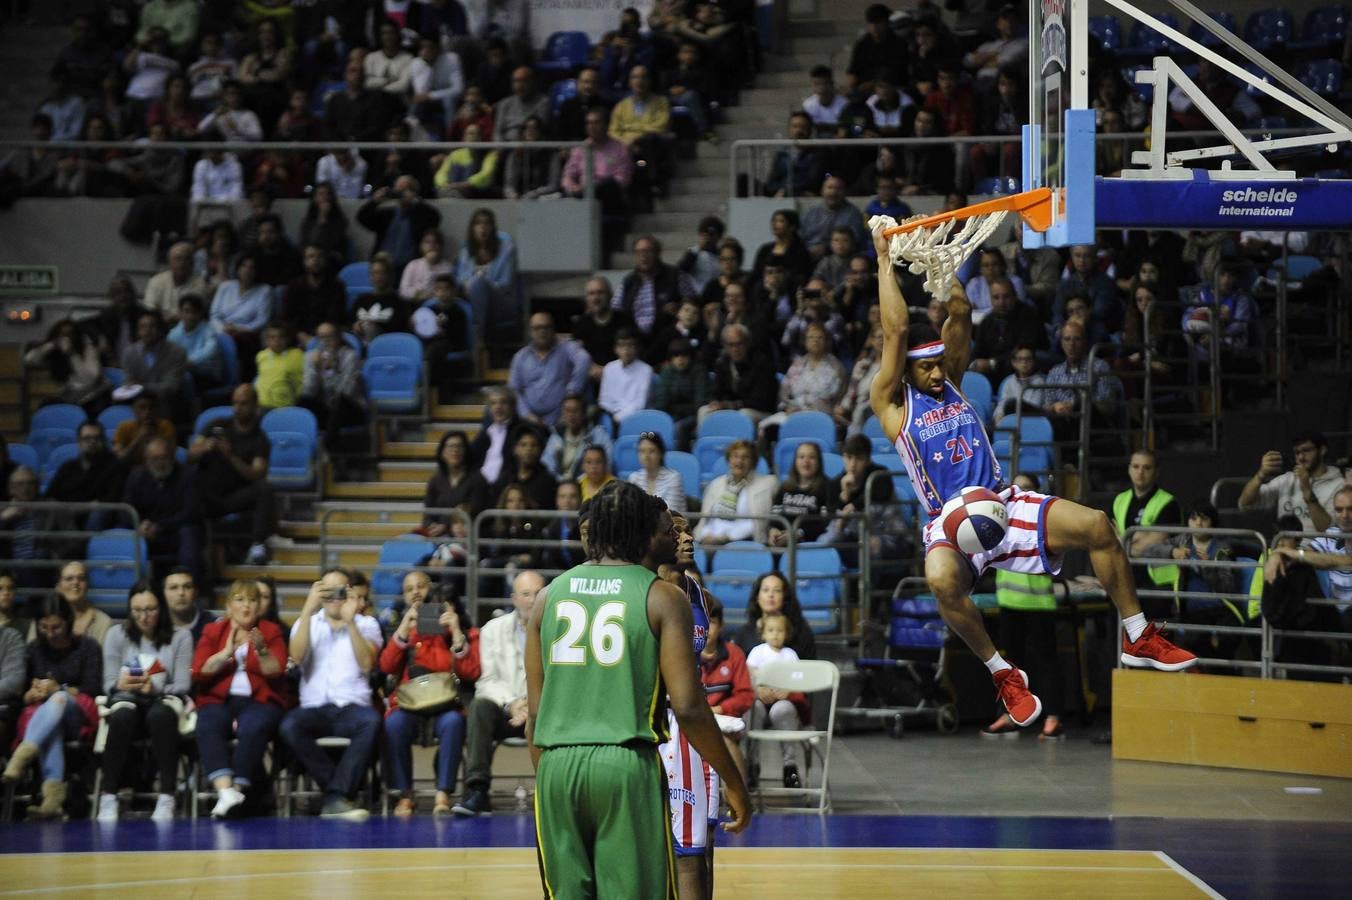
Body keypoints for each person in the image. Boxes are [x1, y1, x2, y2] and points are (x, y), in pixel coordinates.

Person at [867, 221, 1196, 732]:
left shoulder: (952, 381)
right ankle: (1003, 674)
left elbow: (958, 313)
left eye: (938, 364)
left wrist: (941, 268)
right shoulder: (891, 405)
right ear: (906, 374)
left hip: (1002, 500)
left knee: (1098, 527)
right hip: (949, 520)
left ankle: (1137, 633)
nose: (936, 372)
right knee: (940, 581)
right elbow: (895, 332)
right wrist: (885, 259)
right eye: (925, 367)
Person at [525, 483, 750, 897]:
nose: (676, 536)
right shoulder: (663, 597)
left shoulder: (546, 596)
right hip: (624, 764)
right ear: (642, 534)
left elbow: (535, 716)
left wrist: (552, 787)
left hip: (555, 766)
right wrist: (733, 780)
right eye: (666, 529)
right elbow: (688, 707)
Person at [281, 569, 383, 821]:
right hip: (314, 707)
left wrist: (350, 621)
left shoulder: (366, 624)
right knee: (289, 726)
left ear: (349, 592)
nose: (334, 597)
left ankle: (335, 795)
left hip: (352, 706)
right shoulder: (307, 623)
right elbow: (297, 656)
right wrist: (307, 609)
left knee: (371, 722)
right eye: (327, 591)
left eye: (340, 590)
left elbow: (367, 664)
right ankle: (337, 795)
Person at [381, 572, 480, 817]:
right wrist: (405, 628)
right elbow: (385, 666)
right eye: (408, 589)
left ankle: (443, 794)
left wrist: (455, 631)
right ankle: (405, 795)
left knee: (454, 723)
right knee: (394, 724)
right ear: (403, 597)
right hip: (409, 704)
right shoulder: (402, 629)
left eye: (420, 587)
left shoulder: (462, 630)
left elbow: (471, 672)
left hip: (446, 704)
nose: (415, 592)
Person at [192, 579, 291, 818]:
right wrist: (224, 654)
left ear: (259, 607)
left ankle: (234, 792)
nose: (246, 606)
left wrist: (262, 651)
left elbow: (275, 671)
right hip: (219, 700)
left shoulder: (270, 631)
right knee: (207, 724)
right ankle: (227, 793)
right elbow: (198, 672)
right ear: (228, 606)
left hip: (260, 700)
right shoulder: (213, 631)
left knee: (254, 725)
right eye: (240, 599)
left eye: (252, 600)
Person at [96, 581, 192, 821]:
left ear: (161, 609)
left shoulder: (181, 636)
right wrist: (121, 684)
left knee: (160, 715)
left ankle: (167, 796)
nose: (144, 616)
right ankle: (109, 796)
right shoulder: (116, 635)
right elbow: (108, 682)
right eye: (137, 610)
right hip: (127, 699)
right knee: (121, 716)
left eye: (150, 609)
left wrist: (155, 687)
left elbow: (183, 684)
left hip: (163, 700)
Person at [983, 473, 1068, 740]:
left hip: (1039, 605)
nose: (1021, 492)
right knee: (1009, 666)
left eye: (1028, 488)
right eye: (1017, 487)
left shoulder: (1046, 522)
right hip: (1009, 603)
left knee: (1046, 662)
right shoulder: (999, 520)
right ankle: (1009, 716)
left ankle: (1053, 718)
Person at [3, 594, 101, 819]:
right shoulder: (33, 649)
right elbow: (23, 693)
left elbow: (93, 689)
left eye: (56, 627)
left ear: (68, 621)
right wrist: (30, 694)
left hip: (79, 714)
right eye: (44, 627)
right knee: (52, 726)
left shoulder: (88, 647)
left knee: (59, 699)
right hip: (43, 718)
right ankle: (52, 802)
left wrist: (59, 688)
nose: (50, 633)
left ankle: (22, 756)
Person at [453, 569, 540, 817]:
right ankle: (477, 791)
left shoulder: (557, 629)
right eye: (526, 594)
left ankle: (553, 794)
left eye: (537, 593)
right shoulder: (493, 629)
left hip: (542, 711)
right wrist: (513, 704)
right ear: (514, 598)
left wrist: (532, 703)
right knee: (480, 705)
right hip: (506, 712)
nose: (532, 600)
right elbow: (487, 679)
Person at [188, 384, 276, 566]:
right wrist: (205, 448)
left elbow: (257, 474)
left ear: (254, 406)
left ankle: (258, 544)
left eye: (243, 404)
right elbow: (190, 454)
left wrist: (230, 456)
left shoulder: (260, 438)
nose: (238, 408)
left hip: (235, 497)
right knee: (189, 481)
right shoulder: (216, 425)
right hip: (208, 494)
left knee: (264, 489)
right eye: (235, 403)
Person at [744, 612, 811, 787]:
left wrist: (788, 690)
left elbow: (798, 680)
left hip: (782, 701)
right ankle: (752, 764)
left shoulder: (790, 654)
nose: (775, 634)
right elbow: (749, 677)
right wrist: (758, 690)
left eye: (780, 630)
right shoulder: (757, 652)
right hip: (760, 700)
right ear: (763, 633)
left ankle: (790, 766)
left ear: (786, 633)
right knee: (753, 708)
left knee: (784, 710)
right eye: (771, 630)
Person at [1112, 449, 1183, 612]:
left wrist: (1123, 540)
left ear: (1157, 471)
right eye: (1136, 467)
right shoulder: (1119, 500)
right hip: (1124, 580)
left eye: (1146, 468)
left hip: (1158, 585)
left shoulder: (1168, 503)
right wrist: (1136, 540)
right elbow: (1108, 539)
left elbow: (1150, 546)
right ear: (1129, 469)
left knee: (1155, 636)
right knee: (1122, 635)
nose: (1140, 472)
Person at [121, 436, 201, 576]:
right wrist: (140, 525)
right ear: (146, 460)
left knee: (189, 531)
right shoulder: (136, 476)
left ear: (172, 457)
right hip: (146, 533)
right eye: (154, 459)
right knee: (123, 533)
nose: (160, 463)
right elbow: (126, 510)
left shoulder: (187, 475)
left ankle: (189, 583)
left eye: (163, 458)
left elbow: (190, 512)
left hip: (175, 531)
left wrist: (159, 527)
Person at [1238, 432, 1344, 534]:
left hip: (1316, 549)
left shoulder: (1339, 484)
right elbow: (1245, 504)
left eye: (1306, 451)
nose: (1301, 457)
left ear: (1322, 450)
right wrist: (1261, 474)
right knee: (1229, 547)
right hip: (1283, 546)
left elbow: (1327, 530)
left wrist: (1307, 490)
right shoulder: (1287, 479)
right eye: (1297, 452)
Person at [508, 313, 592, 427]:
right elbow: (514, 390)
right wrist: (527, 414)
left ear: (554, 330)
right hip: (529, 421)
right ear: (530, 332)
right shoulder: (520, 357)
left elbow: (584, 359)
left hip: (561, 419)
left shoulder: (566, 348)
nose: (542, 332)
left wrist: (572, 391)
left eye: (546, 327)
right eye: (537, 328)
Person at [695, 440, 778, 546]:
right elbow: (706, 519)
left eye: (745, 457)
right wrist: (706, 535)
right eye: (735, 456)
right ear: (729, 459)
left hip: (743, 541)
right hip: (710, 539)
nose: (739, 461)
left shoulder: (767, 484)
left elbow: (757, 522)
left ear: (753, 462)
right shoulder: (716, 484)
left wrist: (727, 537)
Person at [298, 321, 366, 450]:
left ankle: (326, 448)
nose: (325, 342)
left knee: (339, 402)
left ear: (338, 337)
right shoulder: (310, 357)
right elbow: (309, 391)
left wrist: (332, 370)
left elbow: (347, 391)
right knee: (301, 401)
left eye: (329, 337)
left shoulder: (350, 355)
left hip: (349, 409)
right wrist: (316, 368)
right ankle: (301, 447)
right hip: (325, 410)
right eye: (321, 338)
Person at [453, 208, 521, 336]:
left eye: (487, 223)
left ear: (493, 227)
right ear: (472, 228)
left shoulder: (507, 249)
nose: (482, 228)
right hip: (470, 300)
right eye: (478, 223)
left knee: (479, 284)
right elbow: (460, 280)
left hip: (500, 302)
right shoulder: (466, 251)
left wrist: (480, 285)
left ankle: (479, 336)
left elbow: (505, 284)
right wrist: (468, 286)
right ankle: (479, 339)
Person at [45, 422, 126, 529]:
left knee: (98, 513)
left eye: (97, 438)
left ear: (103, 441)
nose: (92, 442)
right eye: (87, 438)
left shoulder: (114, 466)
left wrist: (72, 510)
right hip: (64, 521)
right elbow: (50, 496)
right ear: (79, 442)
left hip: (96, 523)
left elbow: (108, 501)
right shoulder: (68, 467)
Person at [357, 175, 441, 276]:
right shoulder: (387, 215)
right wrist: (374, 201)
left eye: (408, 189)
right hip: (383, 268)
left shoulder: (420, 216)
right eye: (399, 189)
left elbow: (436, 218)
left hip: (409, 268)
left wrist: (417, 201)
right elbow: (361, 218)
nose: (403, 193)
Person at [769, 441, 834, 547]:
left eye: (812, 457)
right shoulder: (784, 486)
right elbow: (775, 516)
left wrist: (798, 534)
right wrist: (773, 530)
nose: (806, 461)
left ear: (819, 462)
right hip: (782, 540)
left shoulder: (828, 487)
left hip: (809, 543)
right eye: (801, 457)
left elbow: (824, 523)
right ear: (795, 461)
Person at [424, 432, 489, 532]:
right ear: (442, 452)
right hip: (438, 537)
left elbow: (475, 513)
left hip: (467, 538)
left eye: (459, 446)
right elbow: (428, 515)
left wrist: (446, 526)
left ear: (466, 451)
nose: (455, 450)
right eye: (451, 446)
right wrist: (432, 525)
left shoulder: (477, 479)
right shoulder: (435, 481)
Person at [542, 395, 613, 481]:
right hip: (559, 487)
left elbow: (608, 464)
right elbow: (546, 465)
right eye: (567, 411)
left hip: (588, 485)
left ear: (584, 413)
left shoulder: (598, 435)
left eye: (575, 411)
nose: (571, 415)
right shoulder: (556, 435)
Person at [598, 329, 653, 425]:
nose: (626, 349)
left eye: (630, 345)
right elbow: (604, 400)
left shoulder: (646, 370)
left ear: (637, 348)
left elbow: (640, 404)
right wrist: (612, 415)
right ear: (616, 348)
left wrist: (618, 417)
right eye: (622, 345)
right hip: (611, 416)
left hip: (636, 417)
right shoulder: (609, 368)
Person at [628, 431, 686, 513]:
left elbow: (669, 515)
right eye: (642, 451)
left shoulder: (673, 478)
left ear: (661, 453)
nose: (646, 456)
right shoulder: (634, 478)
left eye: (651, 451)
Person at [163, 566, 214, 644]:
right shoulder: (155, 625)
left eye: (187, 587)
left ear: (196, 592)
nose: (181, 593)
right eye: (173, 588)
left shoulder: (212, 625)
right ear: (164, 593)